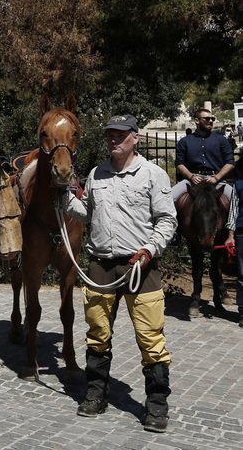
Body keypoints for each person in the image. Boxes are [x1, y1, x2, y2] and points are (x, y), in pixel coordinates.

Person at [62, 114, 177, 433]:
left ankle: (156, 405)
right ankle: (95, 394)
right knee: (97, 333)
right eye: (110, 134)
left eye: (120, 134)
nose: (113, 139)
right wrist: (64, 195)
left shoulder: (152, 174)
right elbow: (86, 213)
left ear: (135, 137)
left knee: (151, 338)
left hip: (141, 266)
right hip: (101, 265)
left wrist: (150, 249)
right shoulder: (96, 174)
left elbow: (167, 220)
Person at [172, 108, 234, 203]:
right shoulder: (184, 142)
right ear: (197, 120)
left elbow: (230, 163)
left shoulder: (222, 140)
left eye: (212, 119)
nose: (210, 121)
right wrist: (191, 176)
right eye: (207, 119)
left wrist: (216, 178)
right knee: (167, 199)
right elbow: (179, 164)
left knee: (237, 201)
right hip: (191, 181)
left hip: (218, 181)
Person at [223, 156, 243, 328]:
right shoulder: (239, 185)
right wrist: (230, 235)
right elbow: (234, 211)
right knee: (242, 274)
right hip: (242, 233)